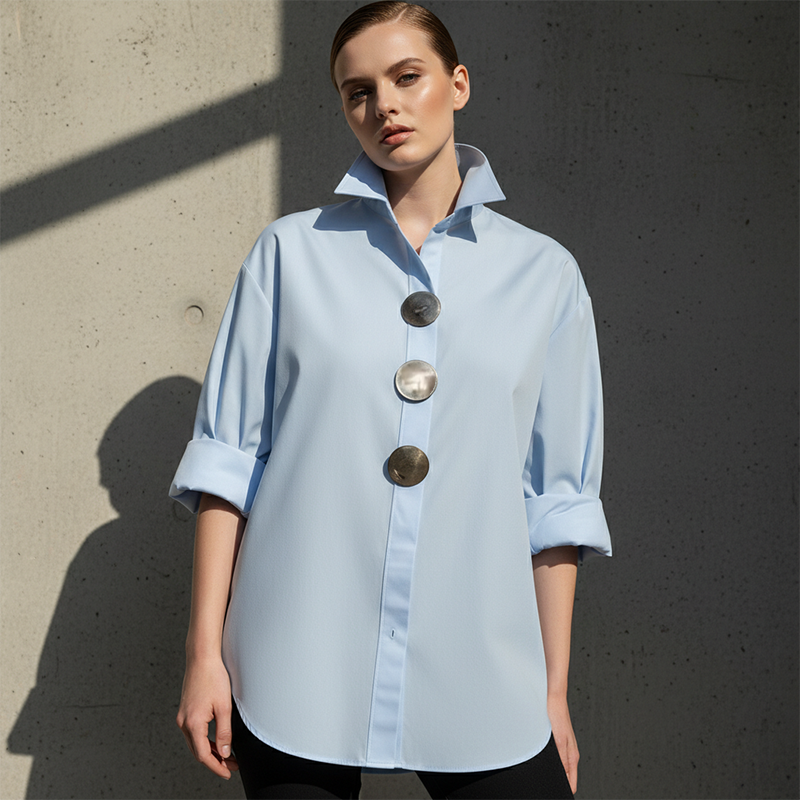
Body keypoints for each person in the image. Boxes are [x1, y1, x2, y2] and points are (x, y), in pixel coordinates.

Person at [171, 3, 612, 798]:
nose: (385, 107)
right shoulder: (290, 254)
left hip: (480, 664)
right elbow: (227, 464)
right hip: (294, 661)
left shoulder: (545, 275)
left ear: (458, 83)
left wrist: (552, 691)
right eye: (359, 92)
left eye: (407, 77)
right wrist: (205, 654)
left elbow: (555, 501)